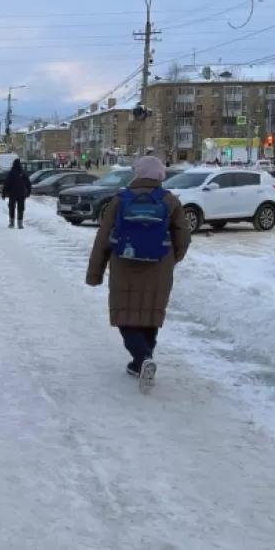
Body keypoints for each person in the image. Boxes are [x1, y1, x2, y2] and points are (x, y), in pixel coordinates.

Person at [85, 156, 190, 391]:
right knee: (150, 313)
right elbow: (183, 237)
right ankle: (143, 359)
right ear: (161, 176)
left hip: (124, 265)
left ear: (137, 174)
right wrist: (171, 259)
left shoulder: (120, 199)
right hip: (159, 267)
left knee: (125, 314)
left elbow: (103, 238)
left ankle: (141, 359)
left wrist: (95, 272)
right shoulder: (170, 200)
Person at [1, 158, 31, 229]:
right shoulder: (23, 173)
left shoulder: (11, 173)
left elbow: (6, 184)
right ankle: (20, 224)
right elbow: (28, 184)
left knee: (12, 208)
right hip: (21, 194)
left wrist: (4, 194)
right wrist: (28, 192)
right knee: (21, 208)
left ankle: (12, 224)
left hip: (12, 193)